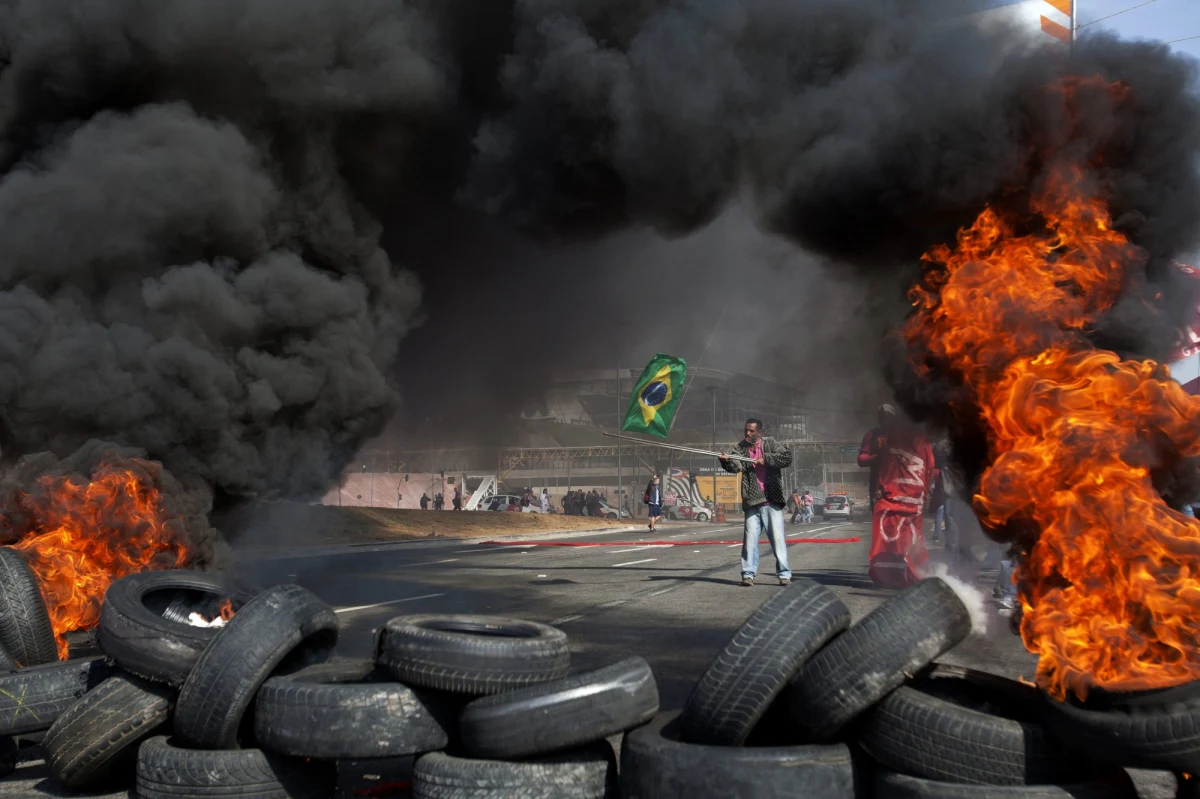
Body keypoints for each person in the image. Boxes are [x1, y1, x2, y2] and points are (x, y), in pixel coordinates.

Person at [857, 404, 936, 588]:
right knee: (885, 532)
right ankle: (887, 571)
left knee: (908, 533)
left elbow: (927, 463)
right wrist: (882, 456)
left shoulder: (909, 438)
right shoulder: (873, 436)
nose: (885, 418)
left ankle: (907, 570)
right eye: (882, 415)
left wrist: (925, 488)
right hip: (881, 490)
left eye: (889, 415)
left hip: (907, 492)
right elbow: (861, 459)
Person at [719, 418, 793, 587]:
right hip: (752, 500)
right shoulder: (740, 447)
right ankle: (748, 574)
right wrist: (725, 461)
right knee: (750, 540)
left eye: (751, 431)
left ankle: (784, 574)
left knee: (777, 539)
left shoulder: (770, 443)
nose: (748, 433)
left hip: (771, 500)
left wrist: (765, 459)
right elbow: (734, 467)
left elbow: (786, 458)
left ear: (759, 432)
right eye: (746, 430)